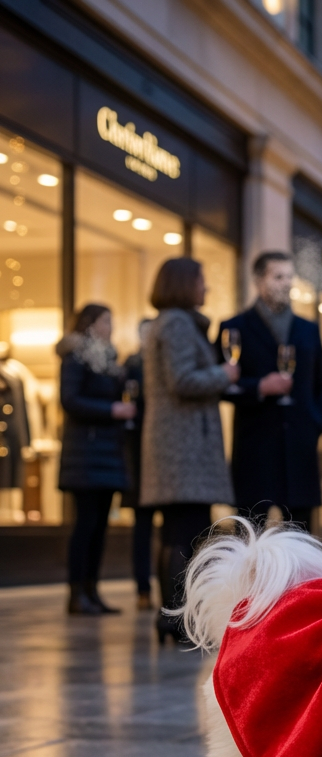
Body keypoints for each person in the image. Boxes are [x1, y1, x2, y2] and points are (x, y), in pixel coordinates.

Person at [140, 257, 239, 643]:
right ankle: (176, 617)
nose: (206, 288)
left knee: (180, 531)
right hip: (181, 446)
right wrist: (224, 375)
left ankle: (173, 616)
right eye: (201, 280)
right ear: (184, 284)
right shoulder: (177, 323)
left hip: (177, 444)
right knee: (185, 532)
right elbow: (181, 379)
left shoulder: (168, 324)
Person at [218, 252, 322, 530]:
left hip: (299, 449)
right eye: (278, 276)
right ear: (259, 281)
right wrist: (258, 387)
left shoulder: (308, 330)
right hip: (255, 449)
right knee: (249, 534)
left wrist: (315, 424)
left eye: (289, 277)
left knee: (302, 536)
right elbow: (222, 385)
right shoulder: (234, 328)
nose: (286, 283)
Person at [56, 304, 135, 615]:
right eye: (105, 320)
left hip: (108, 453)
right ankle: (76, 593)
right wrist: (111, 410)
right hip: (84, 455)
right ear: (90, 324)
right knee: (85, 525)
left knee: (101, 526)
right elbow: (69, 399)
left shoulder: (109, 360)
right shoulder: (75, 358)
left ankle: (92, 590)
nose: (110, 326)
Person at [120, 322, 156, 609]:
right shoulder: (132, 366)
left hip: (157, 457)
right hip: (139, 460)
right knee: (142, 529)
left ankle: (165, 589)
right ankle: (142, 589)